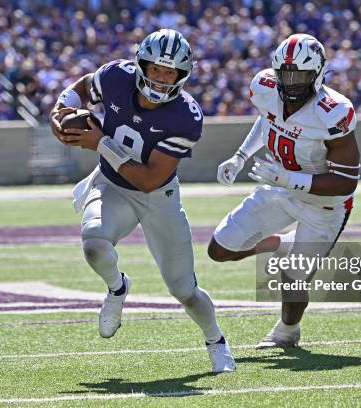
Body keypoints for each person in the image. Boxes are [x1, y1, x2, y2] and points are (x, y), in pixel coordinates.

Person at [49, 29, 235, 372]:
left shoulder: (185, 116)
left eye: (170, 72)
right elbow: (83, 87)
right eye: (156, 69)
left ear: (182, 76)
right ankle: (117, 288)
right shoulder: (116, 76)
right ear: (142, 66)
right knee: (94, 246)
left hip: (157, 198)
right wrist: (62, 109)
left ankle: (216, 341)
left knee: (185, 290)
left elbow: (149, 178)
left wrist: (100, 142)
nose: (162, 78)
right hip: (111, 185)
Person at [207, 34, 360, 349]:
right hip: (280, 189)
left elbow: (346, 181)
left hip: (325, 205)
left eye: (300, 75)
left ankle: (287, 332)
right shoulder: (264, 88)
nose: (291, 83)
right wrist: (240, 157)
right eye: (285, 74)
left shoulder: (333, 112)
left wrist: (290, 179)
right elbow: (267, 120)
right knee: (219, 249)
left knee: (293, 277)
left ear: (317, 74)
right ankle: (277, 244)